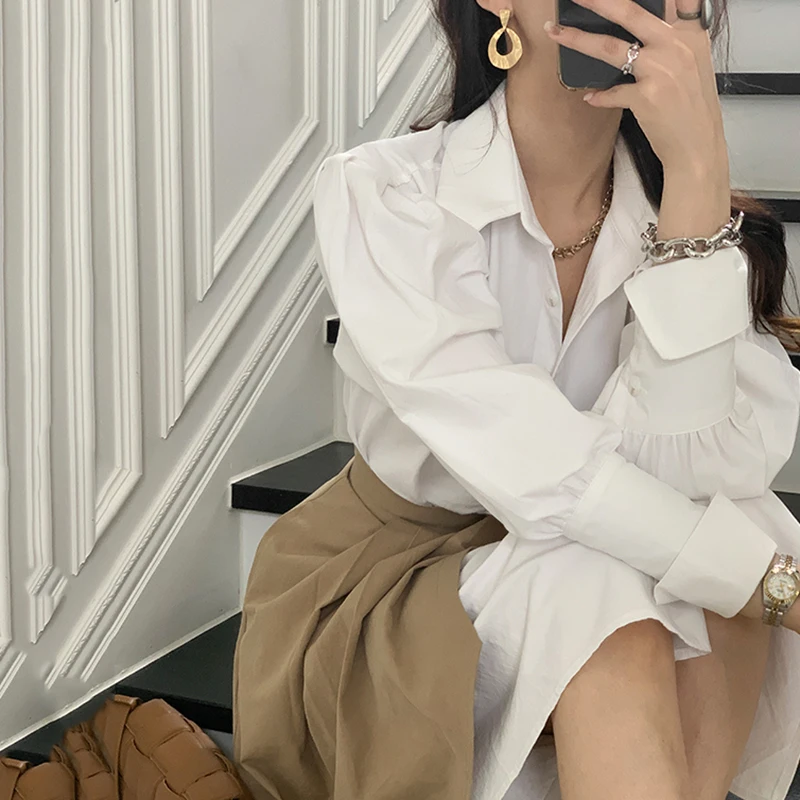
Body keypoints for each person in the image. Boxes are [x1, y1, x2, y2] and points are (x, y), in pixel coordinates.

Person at [232, 0, 800, 798]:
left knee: (729, 538)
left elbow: (699, 472)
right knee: (623, 584)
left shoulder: (688, 222)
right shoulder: (391, 193)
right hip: (401, 567)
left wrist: (699, 177)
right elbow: (541, 466)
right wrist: (776, 584)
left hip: (594, 551)